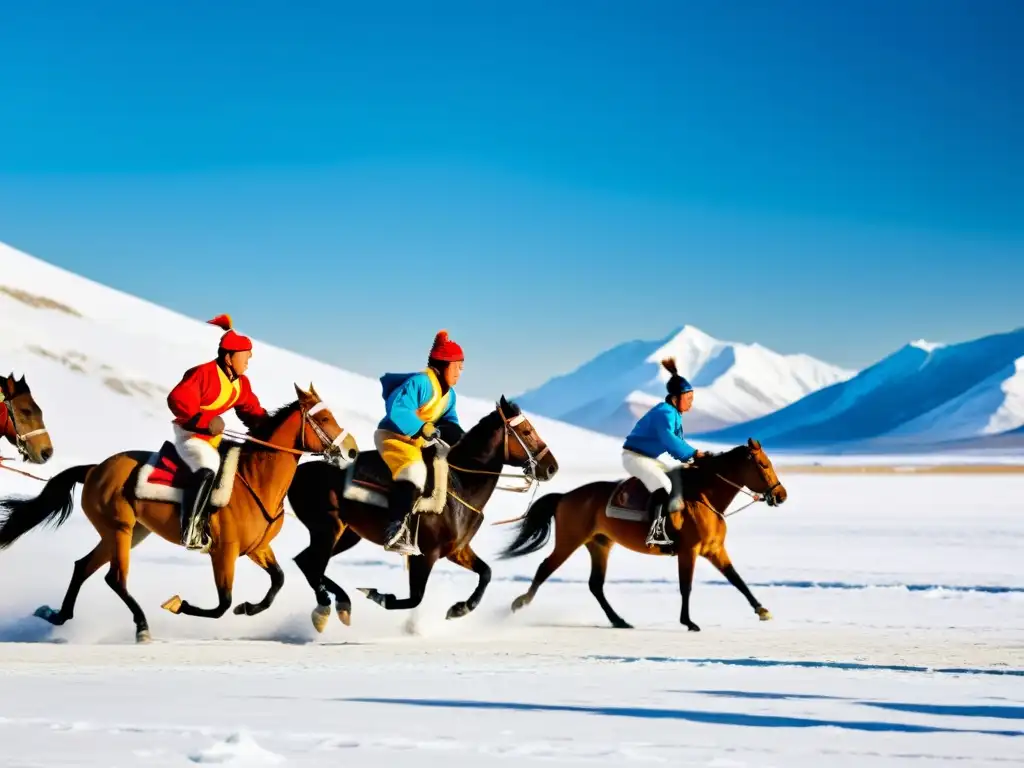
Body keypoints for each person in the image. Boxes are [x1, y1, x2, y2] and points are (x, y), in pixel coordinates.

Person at [166, 314, 268, 549]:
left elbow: (251, 410)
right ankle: (190, 529)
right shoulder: (202, 373)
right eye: (245, 357)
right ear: (229, 357)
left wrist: (270, 428)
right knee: (207, 468)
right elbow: (177, 399)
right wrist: (204, 420)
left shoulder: (241, 383)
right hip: (190, 436)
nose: (248, 362)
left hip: (213, 438)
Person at [375, 330, 465, 555]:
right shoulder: (421, 382)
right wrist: (423, 427)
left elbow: (449, 421)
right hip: (394, 437)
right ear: (444, 364)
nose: (459, 373)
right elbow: (398, 408)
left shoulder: (449, 395)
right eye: (458, 367)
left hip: (418, 442)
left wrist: (460, 439)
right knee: (413, 471)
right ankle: (395, 529)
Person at [621, 358, 706, 547]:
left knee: (676, 479)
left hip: (648, 458)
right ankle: (656, 531)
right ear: (676, 398)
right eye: (688, 399)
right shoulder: (665, 413)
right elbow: (669, 439)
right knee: (663, 485)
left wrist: (692, 456)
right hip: (635, 457)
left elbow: (677, 442)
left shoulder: (673, 414)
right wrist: (692, 453)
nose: (691, 404)